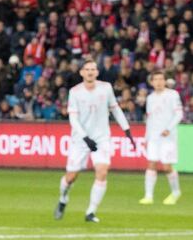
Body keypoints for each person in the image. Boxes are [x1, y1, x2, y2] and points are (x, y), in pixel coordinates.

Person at [54, 58, 135, 223]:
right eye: (87, 69)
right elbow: (73, 119)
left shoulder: (106, 88)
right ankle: (63, 199)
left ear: (97, 72)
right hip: (80, 139)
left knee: (102, 172)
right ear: (82, 72)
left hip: (101, 138)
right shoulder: (75, 92)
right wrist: (85, 137)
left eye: (93, 69)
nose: (90, 72)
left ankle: (91, 212)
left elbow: (115, 109)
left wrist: (126, 129)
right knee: (71, 177)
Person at [140, 70, 184, 205]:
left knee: (166, 167)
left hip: (168, 137)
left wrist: (168, 129)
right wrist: (146, 137)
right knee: (151, 164)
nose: (158, 82)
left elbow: (179, 114)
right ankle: (148, 196)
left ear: (165, 81)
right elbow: (150, 118)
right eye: (156, 79)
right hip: (154, 137)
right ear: (152, 82)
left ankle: (176, 192)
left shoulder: (172, 95)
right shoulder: (150, 98)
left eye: (161, 79)